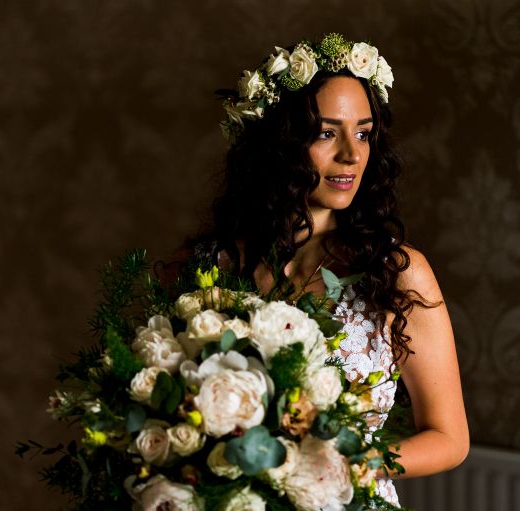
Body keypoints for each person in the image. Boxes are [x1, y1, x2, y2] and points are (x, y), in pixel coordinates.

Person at [165, 33, 468, 505]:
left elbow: (450, 437)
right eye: (327, 133)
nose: (351, 154)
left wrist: (353, 464)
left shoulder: (398, 272)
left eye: (364, 132)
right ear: (279, 144)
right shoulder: (207, 266)